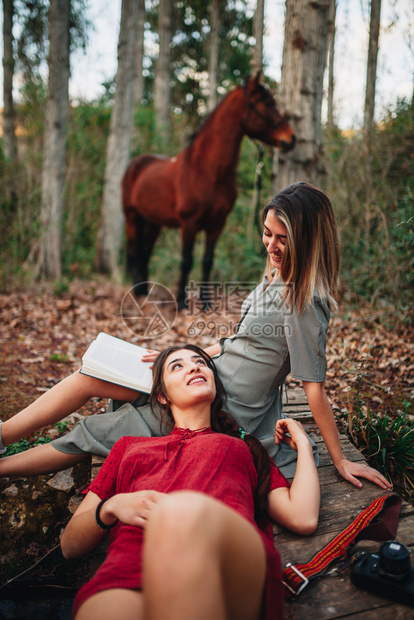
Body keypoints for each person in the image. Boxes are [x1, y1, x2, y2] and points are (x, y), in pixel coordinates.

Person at [0, 182, 391, 490]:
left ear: (307, 240)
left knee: (90, 433)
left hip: (221, 408)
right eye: (267, 233)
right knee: (94, 375)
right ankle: (3, 435)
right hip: (205, 375)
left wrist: (339, 460)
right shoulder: (276, 275)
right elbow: (239, 343)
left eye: (283, 238)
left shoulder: (305, 303)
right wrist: (182, 354)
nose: (271, 245)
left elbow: (314, 388)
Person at [60, 344, 320, 620]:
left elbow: (302, 517)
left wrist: (302, 444)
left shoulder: (245, 447)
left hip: (223, 559)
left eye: (200, 362)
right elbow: (69, 545)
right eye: (177, 366)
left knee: (181, 511)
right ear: (161, 396)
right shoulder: (127, 448)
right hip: (130, 566)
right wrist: (112, 507)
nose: (194, 366)